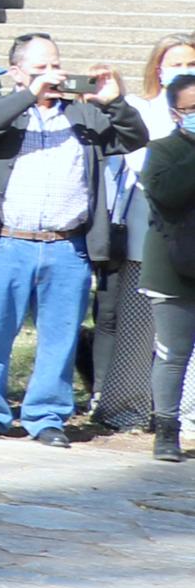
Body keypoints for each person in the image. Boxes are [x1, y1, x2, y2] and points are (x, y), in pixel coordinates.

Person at [0, 35, 147, 446]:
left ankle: (46, 417)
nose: (52, 76)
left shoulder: (84, 114)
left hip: (66, 245)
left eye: (55, 66)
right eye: (40, 68)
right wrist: (30, 94)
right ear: (17, 72)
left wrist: (113, 101)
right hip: (8, 242)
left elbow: (134, 137)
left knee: (60, 338)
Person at [91, 36, 195, 436]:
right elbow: (138, 163)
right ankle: (126, 408)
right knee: (137, 334)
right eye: (176, 64)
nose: (184, 70)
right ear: (157, 69)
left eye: (191, 64)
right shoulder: (142, 110)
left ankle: (183, 414)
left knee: (183, 343)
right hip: (145, 241)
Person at [138, 62, 195, 462]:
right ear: (176, 113)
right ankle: (166, 430)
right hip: (174, 268)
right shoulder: (162, 151)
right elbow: (167, 195)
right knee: (173, 354)